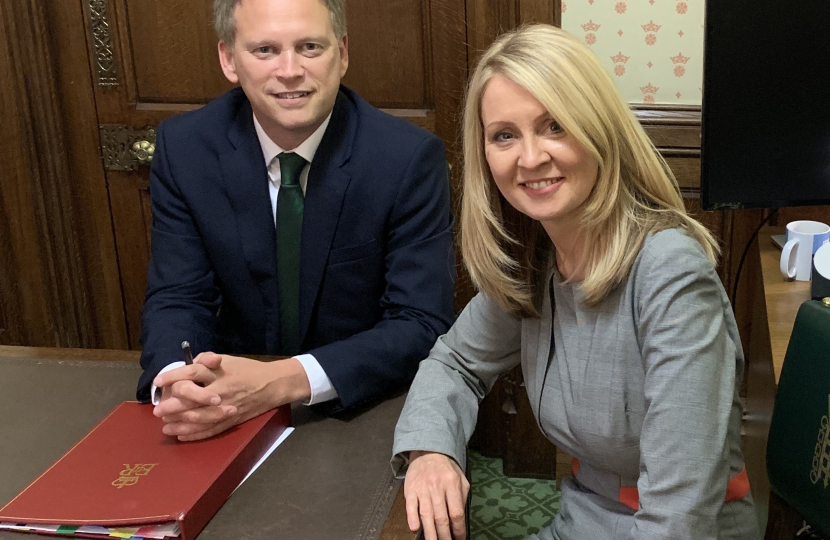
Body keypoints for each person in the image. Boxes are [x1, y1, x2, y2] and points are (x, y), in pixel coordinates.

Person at [391, 24, 760, 540]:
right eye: (504, 135)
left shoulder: (671, 273)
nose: (530, 157)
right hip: (581, 523)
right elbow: (454, 362)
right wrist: (431, 450)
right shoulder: (535, 263)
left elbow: (679, 520)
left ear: (598, 128)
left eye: (555, 126)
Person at [138, 0, 455, 442]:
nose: (289, 70)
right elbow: (178, 295)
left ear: (341, 54)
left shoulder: (405, 158)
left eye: (309, 47)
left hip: (358, 403)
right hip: (227, 405)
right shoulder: (186, 148)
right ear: (229, 59)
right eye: (264, 50)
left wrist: (283, 381)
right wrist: (181, 381)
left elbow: (420, 321)